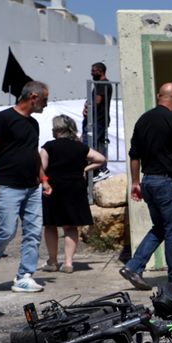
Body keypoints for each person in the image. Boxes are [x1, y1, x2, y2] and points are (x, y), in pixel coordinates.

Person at [119, 82, 172, 291]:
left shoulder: (143, 120)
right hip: (168, 183)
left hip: (148, 182)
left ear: (158, 96)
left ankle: (134, 267)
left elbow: (134, 155)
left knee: (160, 228)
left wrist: (136, 182)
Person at [0, 80, 52, 293]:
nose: (46, 105)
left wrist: (43, 179)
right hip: (7, 186)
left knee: (33, 232)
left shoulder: (33, 123)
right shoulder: (2, 119)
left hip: (32, 187)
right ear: (33, 97)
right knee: (6, 231)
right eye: (45, 100)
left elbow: (33, 153)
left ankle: (24, 276)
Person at [40, 115, 106, 274]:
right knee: (70, 226)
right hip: (75, 188)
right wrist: (85, 169)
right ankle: (68, 263)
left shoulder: (49, 147)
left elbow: (41, 166)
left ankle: (53, 261)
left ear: (58, 129)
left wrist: (44, 181)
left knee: (50, 225)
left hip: (54, 189)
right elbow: (100, 159)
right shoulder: (80, 147)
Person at [82, 62, 113, 182]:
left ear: (100, 71)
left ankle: (99, 169)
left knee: (91, 146)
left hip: (97, 121)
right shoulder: (101, 84)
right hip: (98, 120)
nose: (91, 72)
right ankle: (100, 169)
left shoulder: (102, 84)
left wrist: (87, 109)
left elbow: (97, 101)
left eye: (94, 70)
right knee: (99, 145)